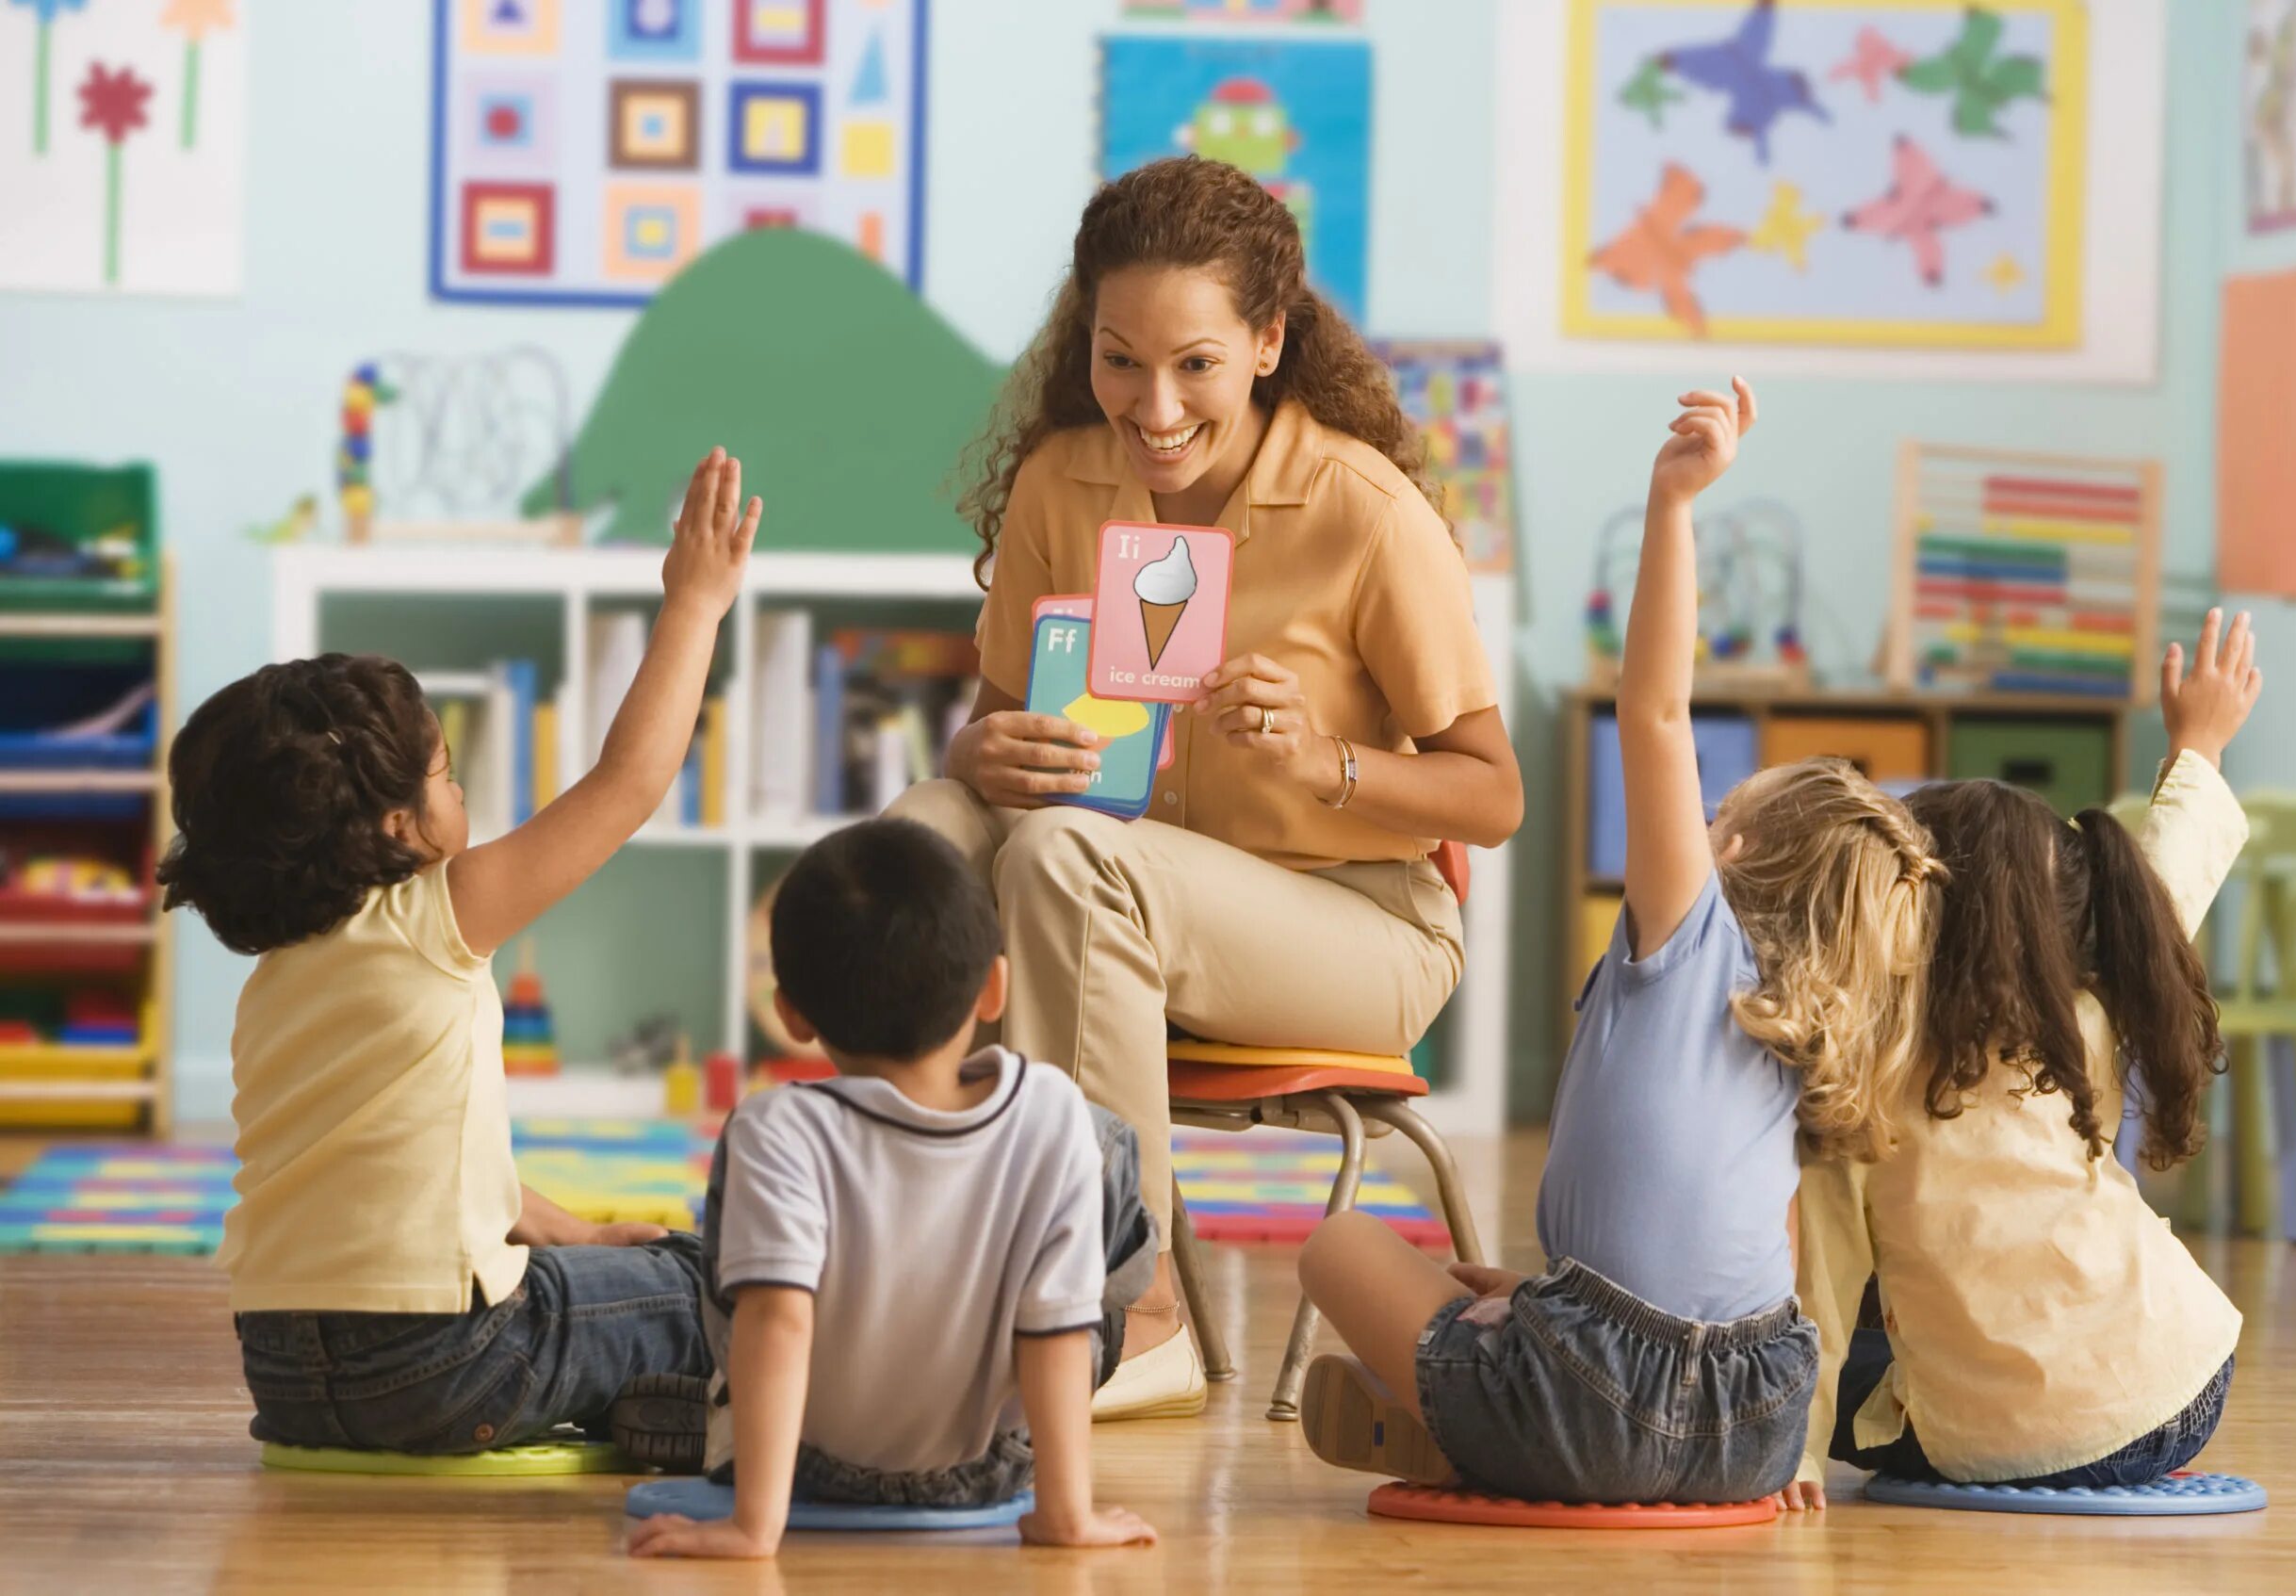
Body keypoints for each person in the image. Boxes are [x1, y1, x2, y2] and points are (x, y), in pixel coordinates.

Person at [887, 155, 1523, 1420]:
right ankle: (907, 1256)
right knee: (917, 837)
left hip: (1357, 921)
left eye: (1196, 365)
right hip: (1112, 899)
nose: (1154, 405)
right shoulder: (1059, 482)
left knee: (1066, 859)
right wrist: (976, 756)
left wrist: (1326, 760)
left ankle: (1142, 1310)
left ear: (1268, 342)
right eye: (1121, 359)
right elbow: (996, 725)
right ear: (1087, 343)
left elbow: (1492, 794)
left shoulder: (1363, 512)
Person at [1293, 380, 1940, 1507]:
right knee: (1479, 1283)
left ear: (1731, 849)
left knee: (1338, 1243)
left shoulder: (1692, 934)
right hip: (1756, 1414)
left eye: (1717, 805)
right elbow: (1751, 1246)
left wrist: (1671, 505)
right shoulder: (1808, 1013)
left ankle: (1467, 1430)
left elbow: (1652, 711)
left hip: (1595, 1390)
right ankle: (1499, 1367)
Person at [161, 449, 757, 1464]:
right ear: (399, 824)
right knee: (724, 1274)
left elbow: (403, 1164)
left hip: (285, 1372)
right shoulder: (438, 915)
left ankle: (646, 1399)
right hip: (453, 1360)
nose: (460, 789)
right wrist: (695, 603)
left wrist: (566, 1228)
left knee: (620, 1265)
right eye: (444, 772)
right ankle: (728, 1411)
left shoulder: (273, 984)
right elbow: (629, 780)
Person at [1792, 611, 2261, 1497]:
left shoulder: (1859, 1069)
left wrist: (1799, 1454)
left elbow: (1819, 1283)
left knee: (1855, 1332)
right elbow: (2169, 875)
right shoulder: (2085, 1003)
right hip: (2184, 1384)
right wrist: (2198, 744)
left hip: (1999, 1445)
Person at [627, 819, 1158, 1560]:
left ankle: (728, 1420)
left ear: (791, 1014)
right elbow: (1058, 1332)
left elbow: (776, 1320)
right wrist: (1067, 1517)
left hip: (813, 1466)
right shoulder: (1053, 1114)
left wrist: (754, 1527)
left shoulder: (774, 1129)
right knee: (1107, 1151)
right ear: (994, 988)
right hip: (989, 1472)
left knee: (752, 1267)